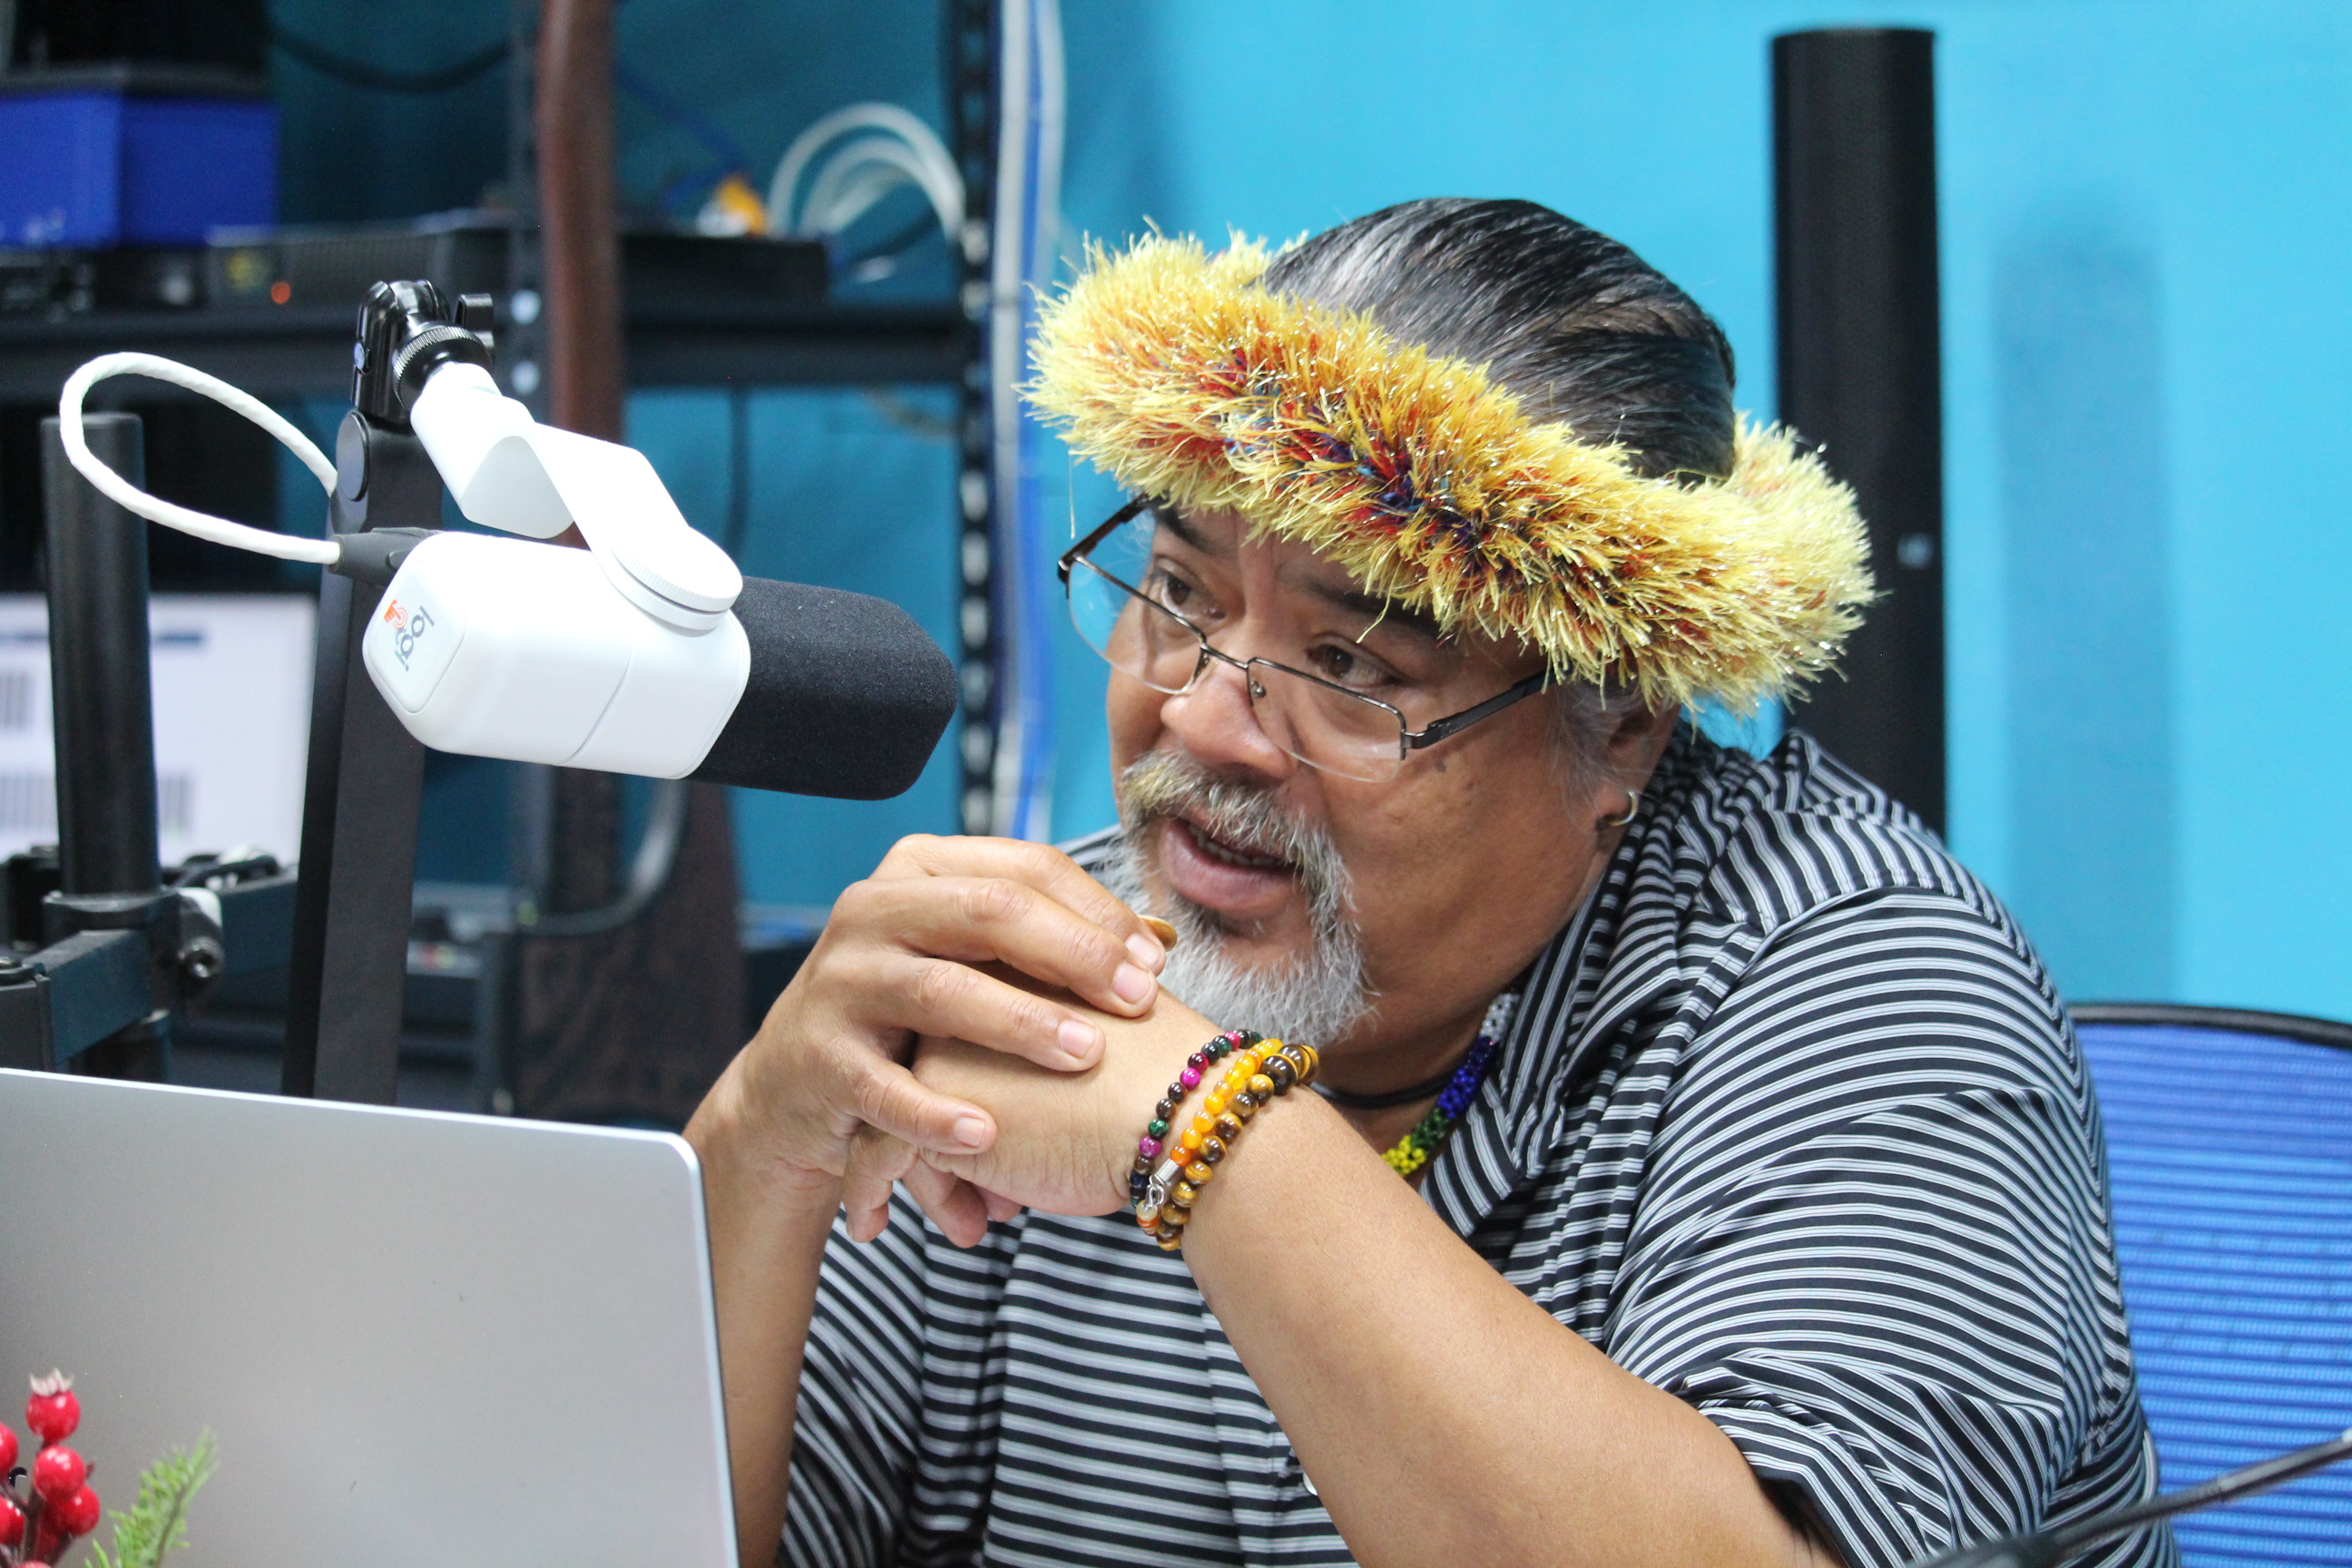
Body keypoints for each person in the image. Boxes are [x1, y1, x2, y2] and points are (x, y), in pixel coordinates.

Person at [685, 199, 2175, 1568]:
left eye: (1354, 669)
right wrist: (761, 1141)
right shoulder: (1028, 984)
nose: (1202, 718)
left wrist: (1201, 1130)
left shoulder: (1873, 990)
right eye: (1182, 593)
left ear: (1626, 720)